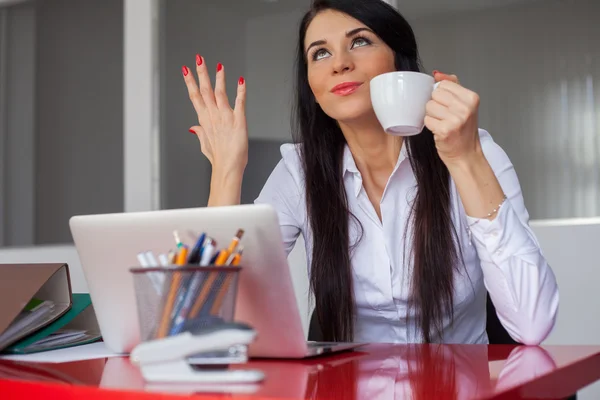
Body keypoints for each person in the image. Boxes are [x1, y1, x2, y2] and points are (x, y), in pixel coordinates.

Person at [180, 0, 559, 344]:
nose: (339, 63)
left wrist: (464, 158)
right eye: (320, 53)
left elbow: (533, 324)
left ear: (400, 63)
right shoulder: (299, 172)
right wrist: (226, 171)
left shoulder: (474, 151)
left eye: (359, 42)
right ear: (312, 88)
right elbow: (203, 320)